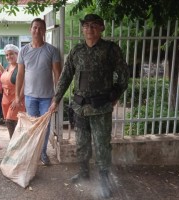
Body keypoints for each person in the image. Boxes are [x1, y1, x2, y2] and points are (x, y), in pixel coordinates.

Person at [48, 14, 129, 198]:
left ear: (101, 28)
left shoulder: (110, 50)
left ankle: (104, 181)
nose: (89, 29)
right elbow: (65, 77)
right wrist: (56, 99)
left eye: (94, 26)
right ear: (82, 28)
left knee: (102, 146)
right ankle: (84, 172)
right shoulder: (77, 51)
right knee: (82, 143)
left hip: (101, 107)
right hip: (79, 107)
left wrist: (114, 96)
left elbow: (124, 76)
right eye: (86, 26)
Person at [15, 18, 62, 165]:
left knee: (45, 127)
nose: (37, 31)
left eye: (40, 28)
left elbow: (57, 75)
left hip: (47, 97)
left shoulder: (51, 51)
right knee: (32, 127)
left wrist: (56, 98)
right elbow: (20, 75)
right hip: (30, 97)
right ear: (30, 29)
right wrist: (17, 95)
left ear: (44, 31)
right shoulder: (23, 51)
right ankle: (33, 152)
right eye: (35, 28)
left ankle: (42, 153)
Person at [0, 44, 26, 138]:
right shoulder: (7, 67)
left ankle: (16, 145)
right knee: (8, 123)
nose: (8, 57)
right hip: (5, 100)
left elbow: (24, 84)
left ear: (17, 54)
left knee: (12, 122)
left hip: (16, 100)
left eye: (11, 54)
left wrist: (18, 99)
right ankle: (13, 144)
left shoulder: (21, 67)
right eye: (7, 55)